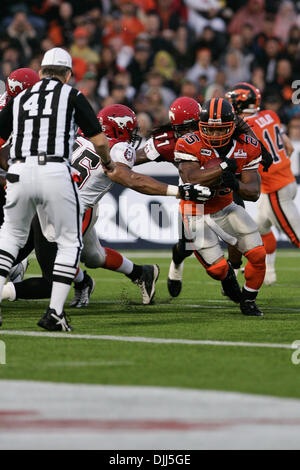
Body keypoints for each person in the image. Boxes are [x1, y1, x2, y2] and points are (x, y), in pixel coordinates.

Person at [1, 104, 210, 308]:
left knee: (55, 270)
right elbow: (132, 179)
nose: (132, 135)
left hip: (66, 209)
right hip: (60, 209)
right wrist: (178, 191)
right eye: (130, 130)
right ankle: (139, 273)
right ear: (119, 128)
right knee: (91, 257)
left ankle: (75, 282)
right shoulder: (118, 147)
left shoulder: (74, 135)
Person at [0, 47, 112, 331]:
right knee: (68, 241)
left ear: (41, 72)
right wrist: (108, 162)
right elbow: (99, 140)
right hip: (54, 170)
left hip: (19, 171)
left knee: (10, 238)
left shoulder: (21, 97)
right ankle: (55, 313)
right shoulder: (72, 95)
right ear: (68, 75)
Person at [174, 98, 266, 317]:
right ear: (200, 126)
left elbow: (253, 192)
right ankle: (227, 278)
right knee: (218, 269)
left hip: (226, 206)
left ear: (232, 126)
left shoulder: (247, 145)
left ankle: (249, 299)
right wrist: (223, 168)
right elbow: (191, 178)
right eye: (209, 130)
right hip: (194, 210)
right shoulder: (188, 142)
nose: (214, 135)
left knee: (258, 254)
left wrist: (235, 184)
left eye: (221, 130)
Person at [226, 82, 298, 285]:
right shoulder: (271, 115)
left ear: (239, 103)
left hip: (275, 188)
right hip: (287, 180)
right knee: (258, 229)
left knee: (297, 237)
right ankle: (269, 274)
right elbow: (289, 147)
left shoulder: (245, 127)